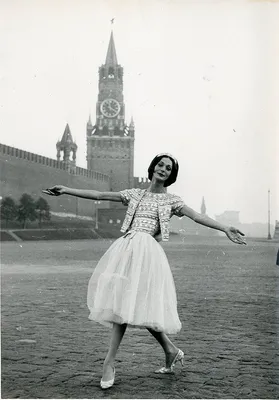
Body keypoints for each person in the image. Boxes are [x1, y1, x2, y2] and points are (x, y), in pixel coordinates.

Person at [43, 153, 246, 389]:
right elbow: (99, 195)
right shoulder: (135, 194)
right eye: (160, 165)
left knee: (128, 303)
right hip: (126, 248)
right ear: (153, 167)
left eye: (168, 168)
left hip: (147, 253)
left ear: (171, 175)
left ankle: (109, 362)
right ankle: (170, 350)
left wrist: (224, 228)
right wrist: (66, 189)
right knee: (128, 303)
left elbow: (197, 216)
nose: (163, 169)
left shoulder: (173, 201)